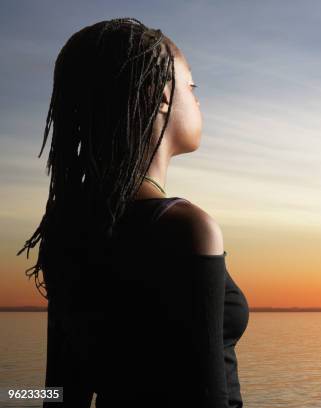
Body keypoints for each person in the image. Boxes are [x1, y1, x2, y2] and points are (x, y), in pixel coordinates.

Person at [17, 17, 249, 407]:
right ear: (161, 95)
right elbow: (207, 397)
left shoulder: (69, 226)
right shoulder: (187, 227)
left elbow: (59, 393)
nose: (197, 100)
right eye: (192, 88)